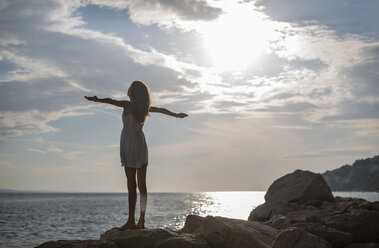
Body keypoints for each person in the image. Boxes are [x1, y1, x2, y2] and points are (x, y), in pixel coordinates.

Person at [85, 80, 188, 230]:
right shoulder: (144, 108)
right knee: (142, 185)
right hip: (140, 145)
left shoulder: (128, 105)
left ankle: (130, 222)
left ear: (133, 92)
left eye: (131, 87)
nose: (129, 88)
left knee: (131, 185)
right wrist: (177, 115)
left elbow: (111, 101)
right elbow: (161, 110)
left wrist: (97, 99)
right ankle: (141, 221)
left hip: (129, 145)